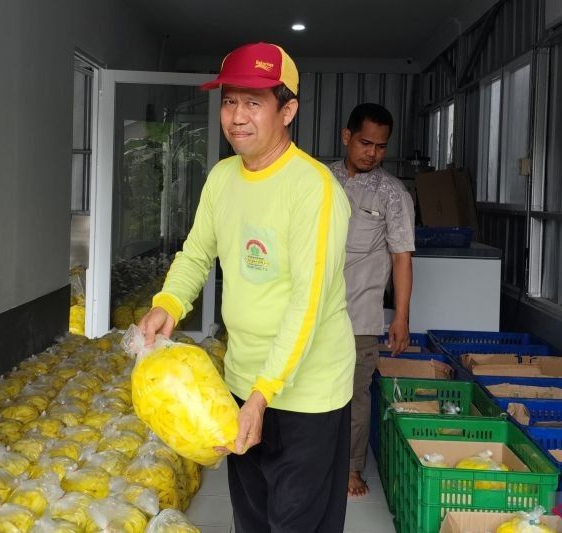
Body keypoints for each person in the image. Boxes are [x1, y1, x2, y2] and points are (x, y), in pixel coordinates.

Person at [138, 42, 355, 532]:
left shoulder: (314, 189)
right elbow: (196, 253)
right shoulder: (222, 178)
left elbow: (308, 303)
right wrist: (168, 304)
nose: (237, 117)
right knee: (252, 518)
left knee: (297, 523)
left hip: (307, 394)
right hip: (240, 383)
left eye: (254, 103)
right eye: (230, 101)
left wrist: (264, 394)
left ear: (289, 110)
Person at [328, 103, 415, 497]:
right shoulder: (319, 180)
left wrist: (401, 317)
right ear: (347, 137)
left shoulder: (393, 195)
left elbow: (401, 258)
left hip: (360, 318)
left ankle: (349, 468)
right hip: (311, 314)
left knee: (355, 395)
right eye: (365, 143)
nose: (372, 153)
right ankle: (309, 460)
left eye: (381, 147)